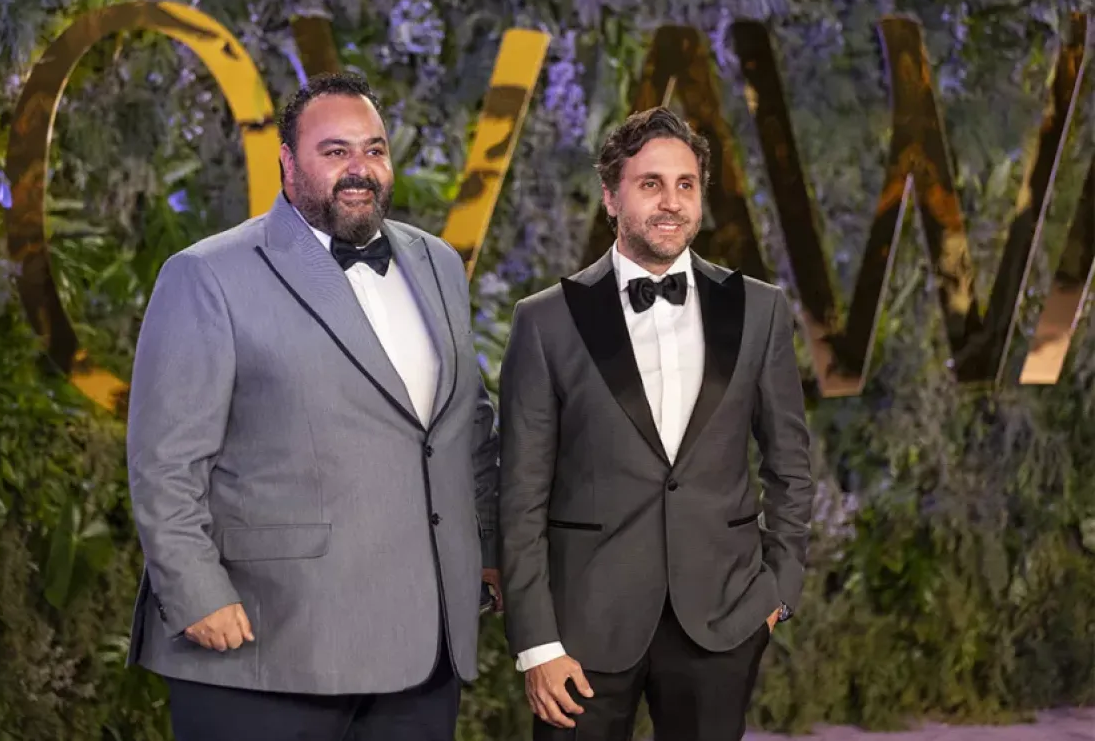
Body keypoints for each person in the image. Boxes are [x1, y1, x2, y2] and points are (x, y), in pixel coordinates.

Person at [125, 72, 501, 741]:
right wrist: (194, 592)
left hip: (419, 652)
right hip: (264, 647)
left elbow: (466, 426)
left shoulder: (438, 263)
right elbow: (165, 461)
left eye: (374, 149)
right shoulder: (207, 274)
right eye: (335, 151)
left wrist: (489, 549)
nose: (360, 168)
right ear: (288, 162)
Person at [498, 106, 813, 741]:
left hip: (723, 619)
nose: (671, 202)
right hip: (582, 628)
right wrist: (536, 643)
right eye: (650, 184)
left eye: (685, 184)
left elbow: (791, 466)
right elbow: (520, 494)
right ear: (611, 197)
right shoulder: (545, 320)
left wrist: (778, 593)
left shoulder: (760, 310)